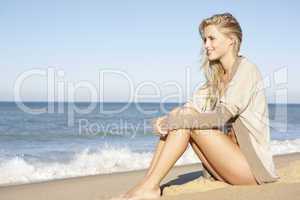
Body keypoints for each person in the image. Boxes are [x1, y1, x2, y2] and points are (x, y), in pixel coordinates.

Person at [110, 12, 280, 200]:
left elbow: (220, 117)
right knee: (181, 113)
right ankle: (147, 184)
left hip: (253, 171)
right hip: (229, 167)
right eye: (204, 39)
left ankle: (149, 187)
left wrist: (174, 121)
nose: (206, 45)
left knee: (183, 119)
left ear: (231, 40)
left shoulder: (246, 70)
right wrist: (165, 120)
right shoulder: (216, 78)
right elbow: (188, 108)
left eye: (211, 38)